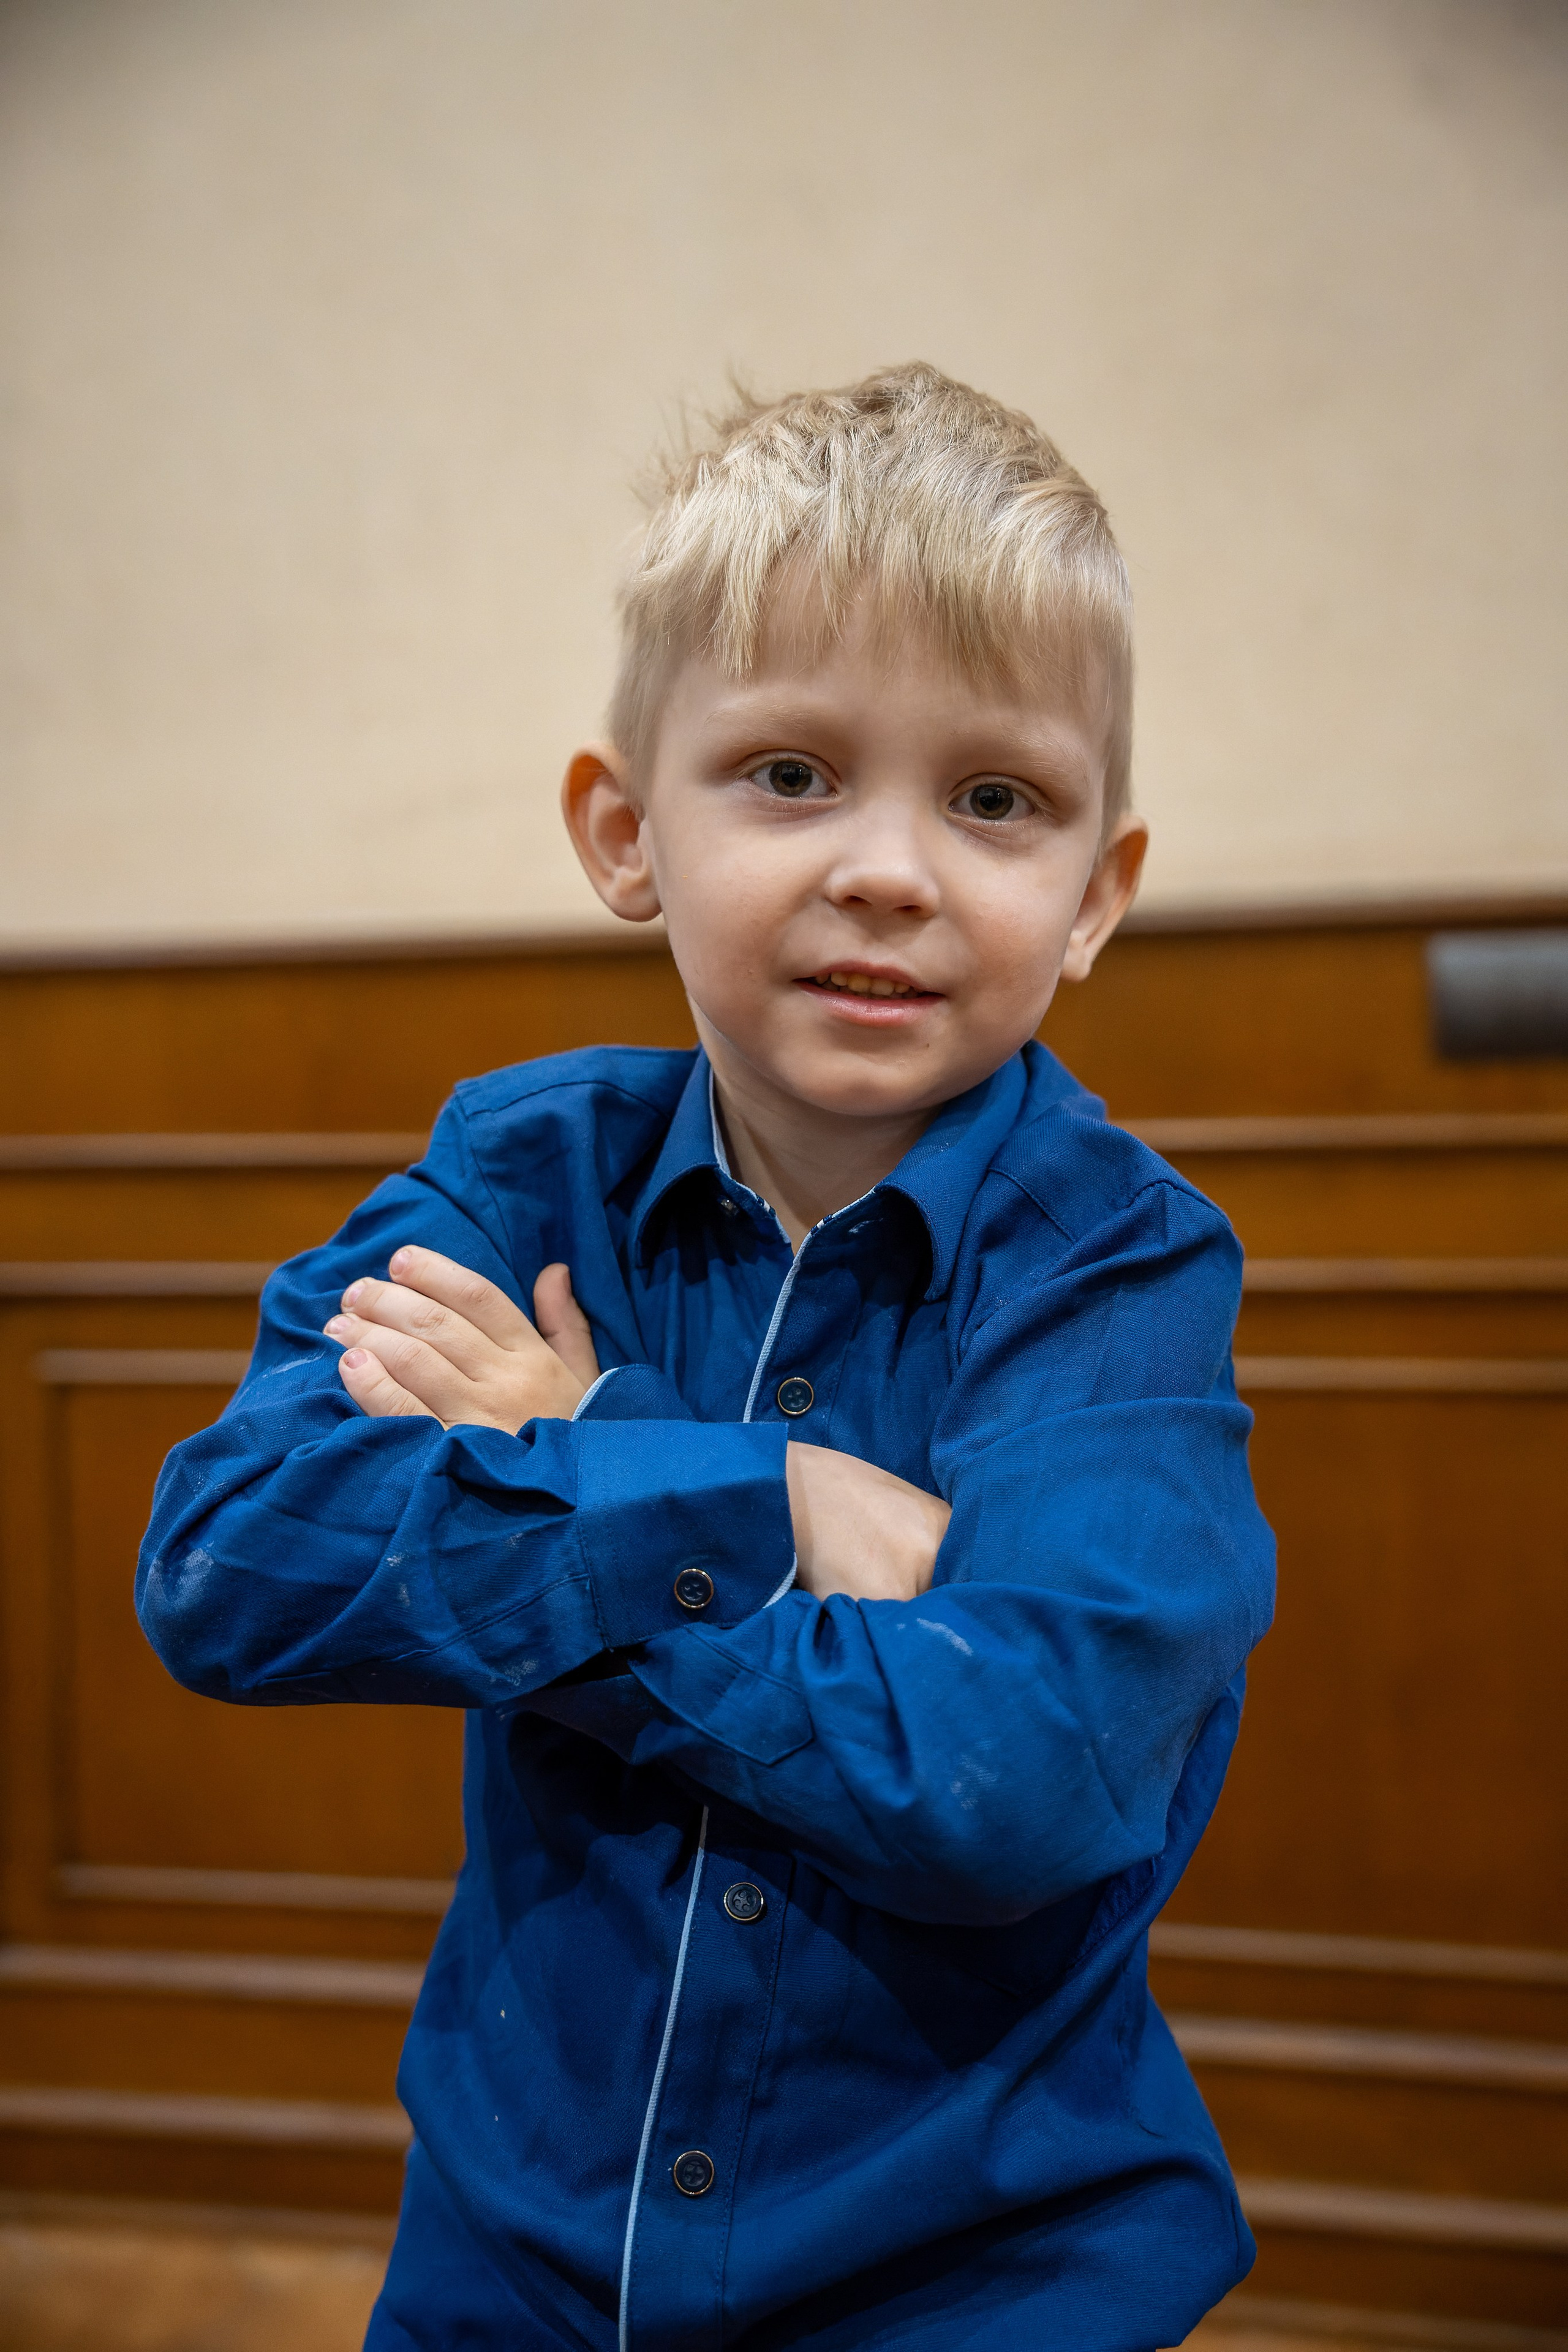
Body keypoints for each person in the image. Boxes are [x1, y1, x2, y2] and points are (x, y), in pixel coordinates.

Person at [138, 364, 1275, 2351]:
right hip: (516, 2256)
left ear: (1094, 894)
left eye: (994, 800)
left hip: (971, 2282)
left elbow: (1017, 1772)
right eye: (791, 773)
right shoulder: (518, 1171)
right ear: (623, 830)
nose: (892, 871)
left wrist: (577, 1448)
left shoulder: (1117, 1261)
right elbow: (230, 1557)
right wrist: (774, 1500)